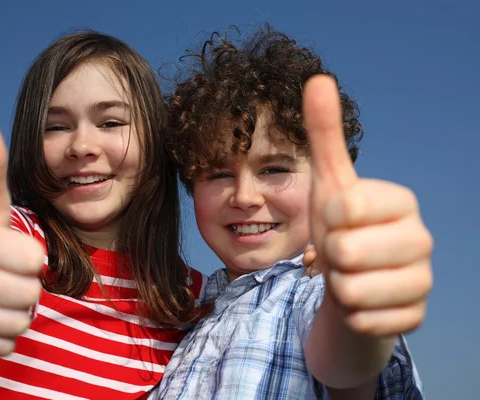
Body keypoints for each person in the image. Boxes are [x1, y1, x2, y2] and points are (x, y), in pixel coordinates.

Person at [0, 31, 207, 399]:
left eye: (111, 122)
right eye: (56, 127)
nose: (81, 146)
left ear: (156, 140)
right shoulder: (23, 242)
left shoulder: (190, 297)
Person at [152, 26, 433, 399]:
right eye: (219, 173)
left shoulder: (316, 291)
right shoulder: (184, 322)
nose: (246, 196)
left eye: (274, 169)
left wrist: (352, 306)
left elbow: (344, 363)